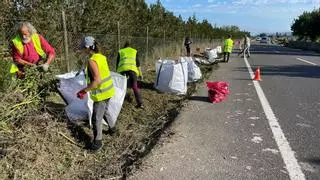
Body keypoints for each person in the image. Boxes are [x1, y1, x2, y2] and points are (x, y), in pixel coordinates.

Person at [77, 36, 115, 151]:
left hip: (101, 94)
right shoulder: (101, 57)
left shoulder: (92, 60)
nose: (82, 50)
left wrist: (84, 90)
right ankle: (113, 129)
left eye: (83, 48)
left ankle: (97, 143)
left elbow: (97, 80)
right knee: (105, 111)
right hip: (108, 91)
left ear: (87, 47)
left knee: (96, 119)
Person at [116, 41, 143, 108]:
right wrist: (140, 73)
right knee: (134, 86)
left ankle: (120, 103)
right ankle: (139, 102)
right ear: (130, 46)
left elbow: (117, 63)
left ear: (124, 46)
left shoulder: (121, 51)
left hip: (123, 69)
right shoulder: (134, 51)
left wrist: (117, 73)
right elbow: (138, 63)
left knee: (122, 86)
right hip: (132, 69)